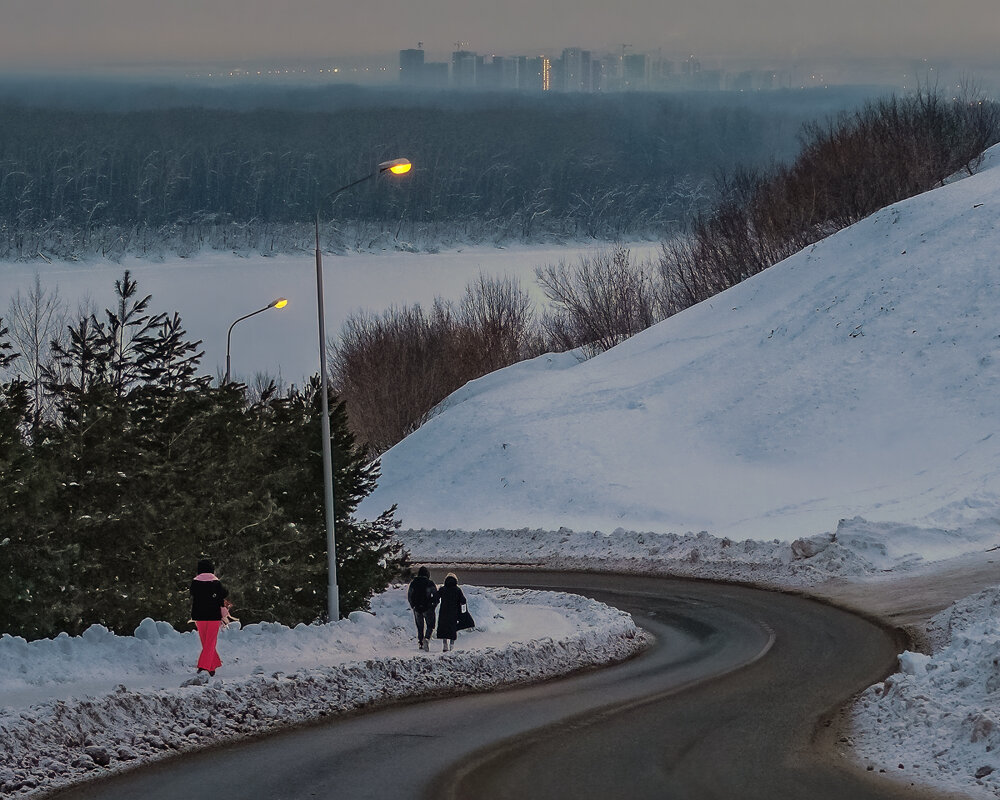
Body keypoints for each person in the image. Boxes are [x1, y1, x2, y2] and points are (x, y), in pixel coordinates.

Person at [190, 558, 228, 676]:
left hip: (199, 616)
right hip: (213, 616)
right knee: (210, 642)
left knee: (205, 641)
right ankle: (204, 666)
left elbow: (192, 593)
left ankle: (211, 666)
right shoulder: (216, 582)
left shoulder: (195, 582)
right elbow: (224, 593)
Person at [407, 566, 438, 652]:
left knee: (419, 626)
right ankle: (427, 638)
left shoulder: (413, 583)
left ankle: (420, 642)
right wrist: (433, 606)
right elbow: (435, 596)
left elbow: (410, 595)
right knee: (430, 625)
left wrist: (413, 605)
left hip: (417, 608)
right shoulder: (430, 583)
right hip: (428, 607)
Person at [435, 572, 467, 652]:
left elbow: (436, 597)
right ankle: (452, 645)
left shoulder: (443, 589)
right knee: (452, 628)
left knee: (444, 628)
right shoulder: (457, 590)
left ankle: (445, 645)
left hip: (444, 612)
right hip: (454, 612)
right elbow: (463, 600)